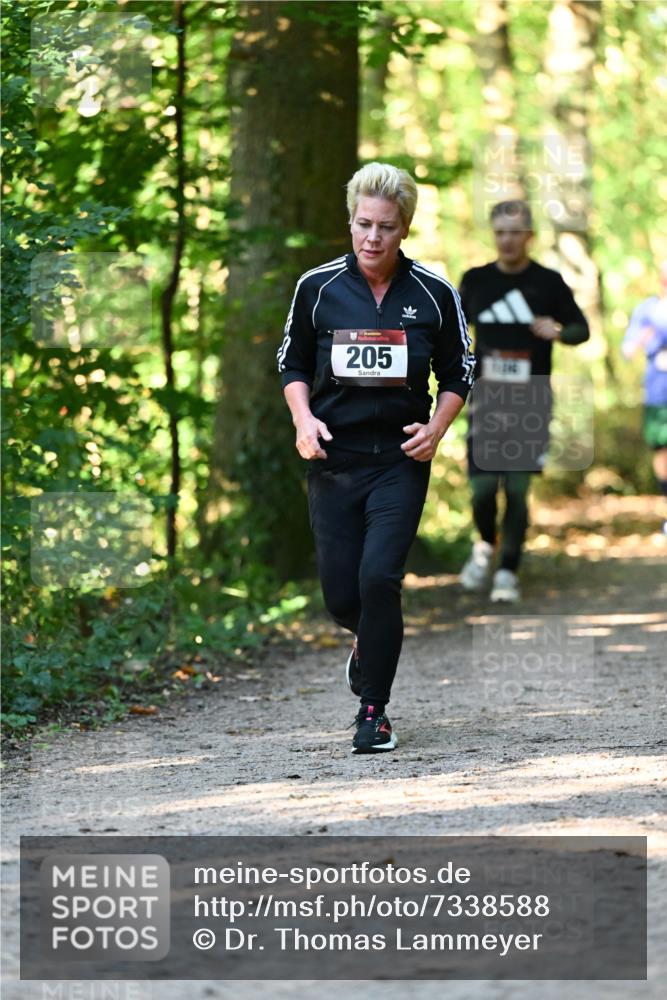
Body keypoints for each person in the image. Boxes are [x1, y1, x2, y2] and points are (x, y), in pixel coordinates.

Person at [276, 162, 475, 753]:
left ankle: (374, 712)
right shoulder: (317, 288)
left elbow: (461, 369)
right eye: (363, 224)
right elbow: (292, 363)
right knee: (343, 597)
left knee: (379, 580)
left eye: (385, 227)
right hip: (334, 461)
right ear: (350, 221)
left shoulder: (435, 294)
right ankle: (366, 640)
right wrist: (303, 419)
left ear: (404, 228)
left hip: (398, 460)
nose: (372, 238)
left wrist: (438, 427)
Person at [458, 200, 589, 602]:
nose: (507, 240)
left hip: (530, 400)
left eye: (515, 232)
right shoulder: (476, 280)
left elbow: (581, 329)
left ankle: (508, 572)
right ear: (492, 234)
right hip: (486, 400)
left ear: (529, 236)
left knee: (516, 490)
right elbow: (454, 332)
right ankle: (485, 543)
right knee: (482, 490)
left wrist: (558, 330)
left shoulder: (548, 282)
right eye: (500, 232)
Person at [622, 261, 667, 529]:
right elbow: (627, 350)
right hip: (658, 393)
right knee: (662, 451)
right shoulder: (647, 310)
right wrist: (640, 340)